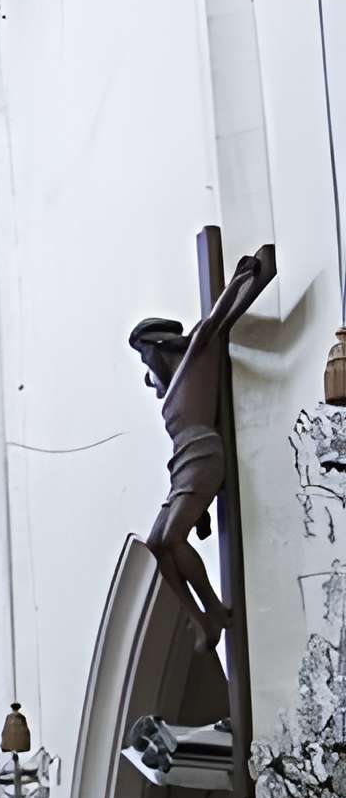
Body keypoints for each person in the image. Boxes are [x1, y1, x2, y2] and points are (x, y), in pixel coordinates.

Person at [129, 245, 275, 650]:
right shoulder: (174, 386)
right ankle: (201, 620)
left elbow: (214, 323)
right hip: (183, 466)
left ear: (158, 348)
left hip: (203, 456)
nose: (147, 370)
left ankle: (214, 610)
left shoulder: (196, 359)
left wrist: (243, 278)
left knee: (173, 539)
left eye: (145, 358)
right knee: (156, 546)